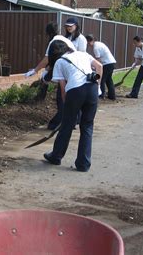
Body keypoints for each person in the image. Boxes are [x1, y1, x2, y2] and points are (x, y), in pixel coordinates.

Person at [42, 40, 103, 172]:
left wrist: (66, 106)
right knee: (87, 126)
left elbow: (63, 90)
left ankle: (56, 156)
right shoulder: (83, 54)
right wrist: (97, 87)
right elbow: (99, 66)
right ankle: (83, 164)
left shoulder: (59, 62)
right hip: (92, 89)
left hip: (75, 91)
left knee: (67, 125)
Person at [24, 22, 76, 130]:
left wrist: (35, 70)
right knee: (71, 95)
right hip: (74, 69)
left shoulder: (54, 42)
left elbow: (47, 59)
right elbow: (55, 59)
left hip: (67, 70)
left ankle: (58, 123)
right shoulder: (65, 40)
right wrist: (47, 70)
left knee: (61, 97)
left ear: (48, 33)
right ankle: (74, 120)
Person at [85, 34, 116, 100]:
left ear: (90, 41)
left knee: (101, 79)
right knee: (109, 80)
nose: (88, 45)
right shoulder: (99, 43)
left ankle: (102, 95)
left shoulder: (96, 48)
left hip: (107, 64)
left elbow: (98, 61)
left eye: (88, 43)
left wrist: (94, 67)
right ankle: (112, 96)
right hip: (111, 62)